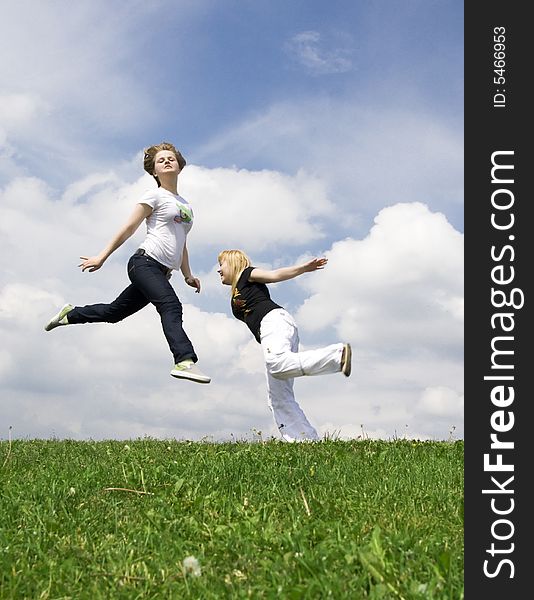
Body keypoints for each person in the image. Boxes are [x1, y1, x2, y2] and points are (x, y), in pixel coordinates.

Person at [44, 142, 210, 384]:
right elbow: (129, 227)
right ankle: (184, 360)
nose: (166, 161)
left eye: (170, 158)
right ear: (154, 171)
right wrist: (102, 256)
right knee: (171, 306)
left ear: (179, 166)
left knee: (115, 313)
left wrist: (187, 274)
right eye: (160, 160)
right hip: (144, 264)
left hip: (162, 272)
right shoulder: (153, 195)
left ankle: (70, 314)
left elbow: (181, 242)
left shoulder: (186, 205)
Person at [217, 249, 351, 442]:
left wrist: (303, 268)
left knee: (277, 363)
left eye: (221, 265)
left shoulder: (247, 274)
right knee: (278, 398)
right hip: (272, 330)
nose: (219, 270)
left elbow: (274, 275)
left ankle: (338, 355)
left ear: (233, 263)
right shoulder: (238, 288)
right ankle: (305, 441)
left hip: (274, 322)